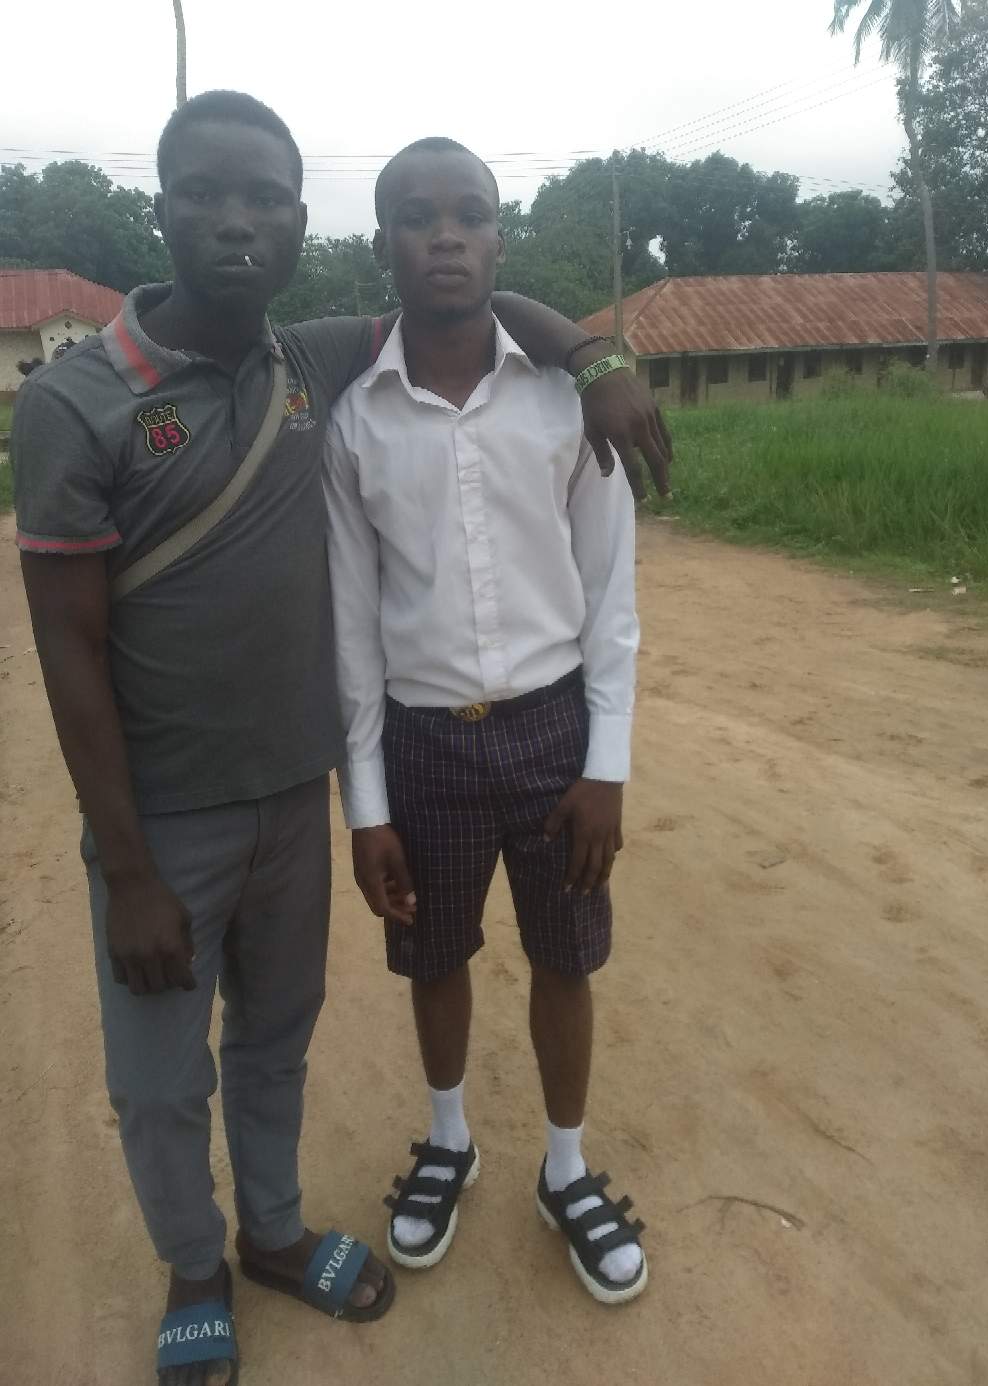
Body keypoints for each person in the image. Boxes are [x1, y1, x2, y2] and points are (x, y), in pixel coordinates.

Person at [11, 94, 669, 1385]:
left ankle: (306, 1227)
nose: (236, 221)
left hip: (321, 788)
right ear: (162, 208)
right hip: (196, 805)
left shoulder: (331, 368)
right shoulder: (135, 401)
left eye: (264, 198)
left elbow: (477, 328)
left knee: (286, 1034)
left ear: (300, 222)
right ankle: (206, 1261)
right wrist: (146, 858)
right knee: (171, 1073)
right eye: (205, 193)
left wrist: (593, 357)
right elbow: (88, 647)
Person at [324, 137, 647, 1307]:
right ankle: (449, 1139)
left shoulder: (567, 400)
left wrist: (604, 766)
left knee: (565, 955)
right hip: (423, 743)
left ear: (500, 240)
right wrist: (366, 807)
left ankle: (564, 1168)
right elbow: (352, 632)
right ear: (384, 244)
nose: (446, 235)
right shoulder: (354, 422)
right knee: (434, 954)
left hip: (554, 734)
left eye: (470, 213)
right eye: (418, 217)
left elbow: (609, 600)